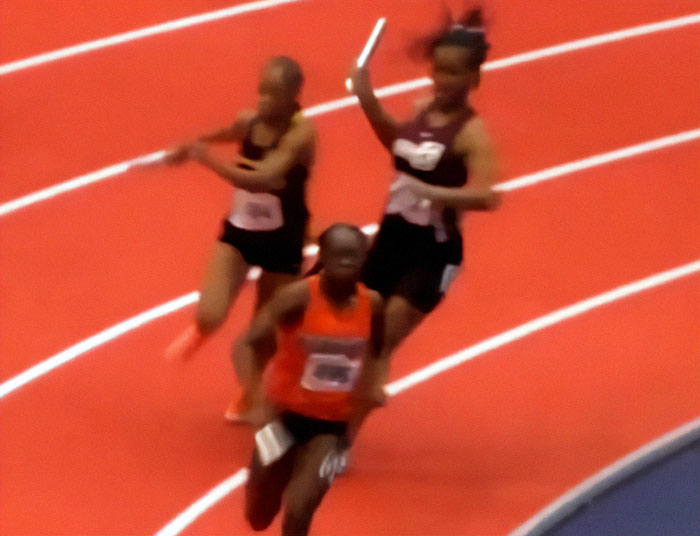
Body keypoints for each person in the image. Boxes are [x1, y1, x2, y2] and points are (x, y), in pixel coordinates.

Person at [348, 8, 500, 383]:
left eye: (453, 72)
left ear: (473, 77)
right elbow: (396, 146)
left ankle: (340, 436)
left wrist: (431, 192)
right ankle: (331, 418)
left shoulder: (472, 134)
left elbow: (489, 196)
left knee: (382, 343)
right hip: (392, 238)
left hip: (433, 253)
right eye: (438, 69)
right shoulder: (420, 108)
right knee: (354, 335)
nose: (442, 80)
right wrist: (367, 99)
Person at [163, 57, 317, 420]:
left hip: (284, 240)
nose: (265, 100)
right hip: (240, 233)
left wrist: (207, 160)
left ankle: (252, 397)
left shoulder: (301, 134)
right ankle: (202, 329)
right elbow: (231, 132)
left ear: (295, 96)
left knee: (263, 332)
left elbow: (263, 178)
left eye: (275, 94)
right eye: (262, 91)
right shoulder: (252, 121)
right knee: (210, 310)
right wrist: (192, 146)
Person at [234, 223, 385, 535]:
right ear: (323, 257)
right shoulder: (297, 297)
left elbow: (377, 352)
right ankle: (273, 478)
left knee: (302, 505)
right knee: (259, 515)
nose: (347, 261)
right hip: (281, 416)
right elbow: (247, 344)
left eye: (354, 255)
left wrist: (370, 390)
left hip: (331, 423)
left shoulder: (373, 304)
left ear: (365, 258)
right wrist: (256, 402)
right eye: (339, 254)